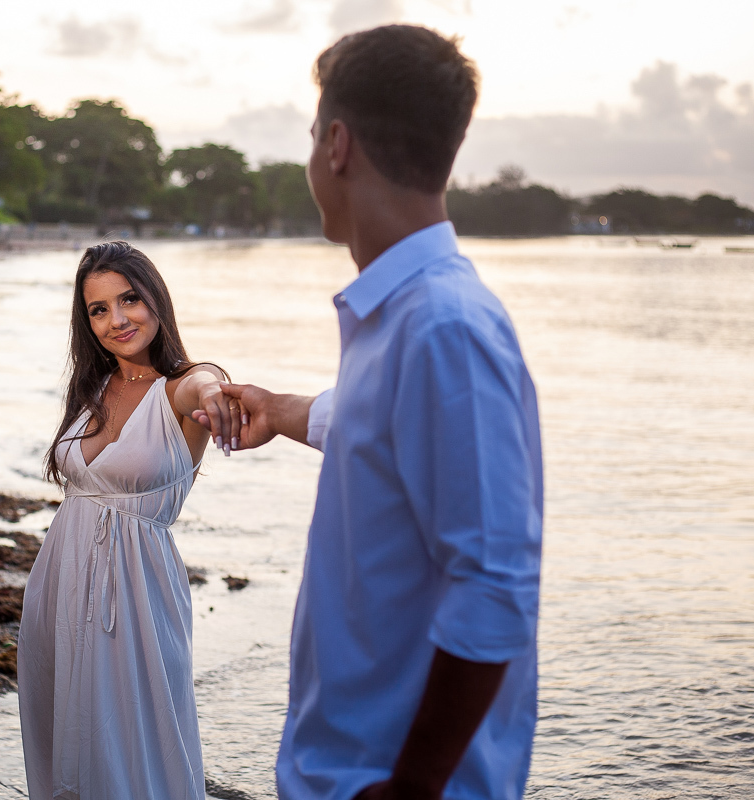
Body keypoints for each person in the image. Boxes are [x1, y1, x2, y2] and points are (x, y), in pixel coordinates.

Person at [193, 25, 544, 800]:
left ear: (338, 146)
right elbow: (378, 428)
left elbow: (495, 585)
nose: (314, 153)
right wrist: (279, 410)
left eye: (314, 133)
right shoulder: (401, 317)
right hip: (342, 772)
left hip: (394, 783)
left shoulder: (444, 326)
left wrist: (411, 788)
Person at [17, 241, 240, 800]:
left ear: (156, 301)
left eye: (129, 300)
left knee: (140, 738)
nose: (116, 320)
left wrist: (217, 394)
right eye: (98, 309)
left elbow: (204, 380)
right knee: (63, 736)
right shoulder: (91, 388)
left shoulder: (180, 389)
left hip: (139, 594)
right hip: (59, 585)